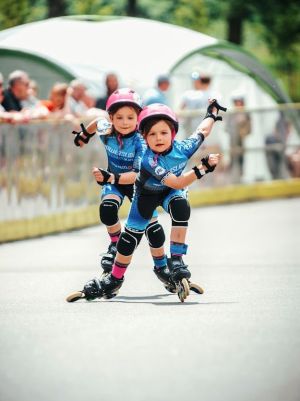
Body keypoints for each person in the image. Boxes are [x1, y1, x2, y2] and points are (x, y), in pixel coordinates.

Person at [78, 99, 226, 301]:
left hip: (169, 193)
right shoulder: (148, 160)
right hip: (147, 194)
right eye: (152, 134)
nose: (158, 138)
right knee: (129, 240)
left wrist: (211, 114)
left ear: (173, 134)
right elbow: (177, 181)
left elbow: (202, 131)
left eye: (164, 133)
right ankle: (114, 278)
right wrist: (202, 169)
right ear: (144, 137)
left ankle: (176, 260)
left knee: (181, 206)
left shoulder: (183, 148)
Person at [71, 88, 173, 290]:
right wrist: (84, 135)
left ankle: (162, 267)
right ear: (111, 118)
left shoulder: (140, 141)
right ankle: (116, 243)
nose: (125, 122)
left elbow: (135, 174)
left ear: (138, 117)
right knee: (107, 209)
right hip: (116, 183)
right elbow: (96, 123)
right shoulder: (105, 128)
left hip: (138, 185)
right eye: (119, 117)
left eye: (130, 117)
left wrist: (110, 176)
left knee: (153, 230)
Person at [226, 91, 251, 183]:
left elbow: (248, 129)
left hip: (241, 141)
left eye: (239, 101)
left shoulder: (246, 114)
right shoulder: (232, 114)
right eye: (236, 101)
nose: (238, 103)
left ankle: (240, 178)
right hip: (233, 141)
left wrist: (242, 129)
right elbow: (227, 128)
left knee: (241, 160)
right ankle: (232, 178)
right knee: (233, 160)